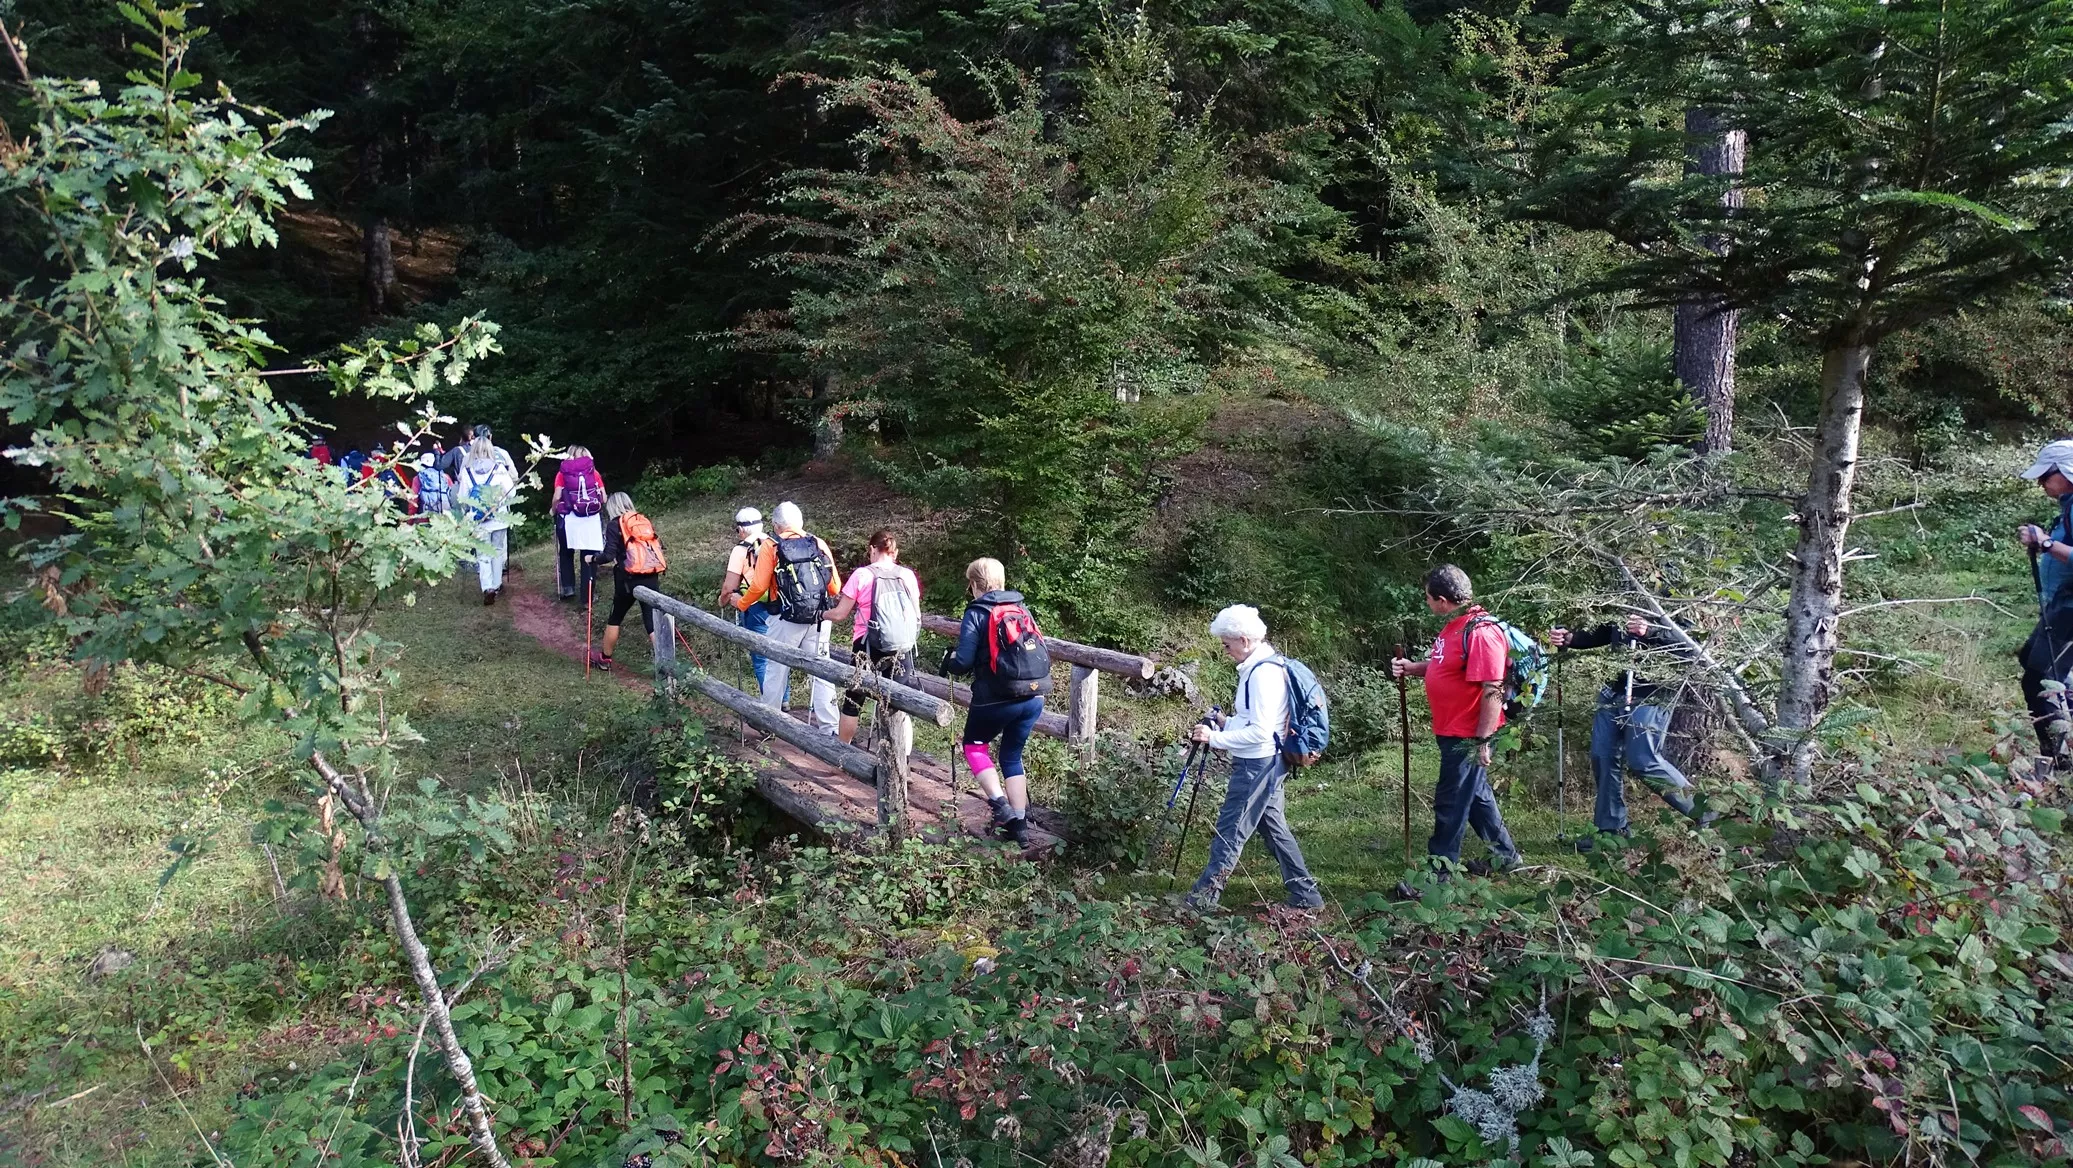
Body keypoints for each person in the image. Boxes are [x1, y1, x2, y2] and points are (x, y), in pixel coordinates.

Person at [1182, 605, 1324, 911]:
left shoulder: (1262, 675)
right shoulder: (1264, 667)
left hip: (1257, 765)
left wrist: (1213, 739)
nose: (1225, 651)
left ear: (1244, 641)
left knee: (1230, 831)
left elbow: (1260, 733)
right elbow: (1256, 723)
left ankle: (1201, 902)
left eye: (1227, 645)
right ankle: (1306, 896)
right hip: (1269, 762)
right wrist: (1225, 723)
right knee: (1274, 830)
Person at [1390, 564, 1521, 877]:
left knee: (1451, 803)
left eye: (1428, 597)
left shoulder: (1481, 633)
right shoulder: (1455, 626)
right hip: (1453, 730)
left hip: (1468, 735)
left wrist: (1482, 740)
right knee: (1475, 796)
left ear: (1442, 600)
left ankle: (1439, 875)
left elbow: (1492, 688)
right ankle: (1506, 857)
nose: (1426, 602)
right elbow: (1446, 668)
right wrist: (1413, 667)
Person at [1548, 613, 1713, 851]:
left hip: (1651, 692)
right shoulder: (1623, 592)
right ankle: (1611, 831)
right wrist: (1572, 639)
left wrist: (1651, 630)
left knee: (1644, 761)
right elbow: (1607, 630)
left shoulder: (1668, 594)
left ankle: (1707, 813)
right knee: (1603, 756)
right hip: (1614, 689)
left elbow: (1690, 643)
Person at [942, 557, 1048, 844]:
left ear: (975, 585)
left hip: (996, 697)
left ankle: (1002, 807)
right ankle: (1020, 827)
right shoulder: (1021, 608)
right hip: (1034, 695)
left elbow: (963, 661)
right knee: (1012, 756)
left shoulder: (977, 612)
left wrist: (949, 661)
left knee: (974, 746)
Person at [740, 501, 840, 729]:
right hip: (819, 619)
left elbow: (758, 586)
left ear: (776, 525)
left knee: (776, 669)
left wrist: (743, 604)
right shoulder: (817, 543)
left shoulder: (771, 546)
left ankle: (769, 722)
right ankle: (830, 728)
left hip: (785, 619)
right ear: (801, 522)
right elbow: (835, 587)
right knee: (822, 672)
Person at [824, 529, 922, 744]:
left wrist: (822, 614)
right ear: (895, 552)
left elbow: (840, 614)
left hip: (866, 645)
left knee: (853, 701)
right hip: (901, 646)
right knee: (898, 703)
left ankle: (843, 751)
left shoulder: (862, 575)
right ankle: (901, 758)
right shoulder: (907, 575)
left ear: (872, 549)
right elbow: (917, 615)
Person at [2017, 438, 2073, 762]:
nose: (2040, 482)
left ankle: (2061, 760)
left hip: (2070, 609)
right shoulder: (2069, 506)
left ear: (2066, 472)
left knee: (2040, 680)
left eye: (2045, 475)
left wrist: (2046, 543)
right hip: (2062, 605)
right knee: (2033, 661)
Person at [593, 492, 666, 671]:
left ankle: (604, 660)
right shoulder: (642, 521)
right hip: (650, 575)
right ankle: (667, 665)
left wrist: (593, 559)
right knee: (651, 622)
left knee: (615, 617)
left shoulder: (614, 525)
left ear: (612, 507)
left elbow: (608, 555)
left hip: (627, 580)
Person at [717, 507, 780, 692]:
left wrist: (722, 601)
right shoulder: (775, 543)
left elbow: (729, 586)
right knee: (779, 657)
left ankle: (769, 702)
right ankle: (783, 701)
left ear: (741, 529)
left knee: (761, 658)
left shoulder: (740, 550)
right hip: (779, 603)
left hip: (754, 606)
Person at [459, 437, 517, 605]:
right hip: (499, 518)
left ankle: (487, 587)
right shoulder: (499, 469)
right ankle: (497, 585)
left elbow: (462, 498)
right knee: (497, 550)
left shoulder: (467, 471)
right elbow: (511, 493)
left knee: (483, 554)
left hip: (478, 521)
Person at [550, 445, 607, 602]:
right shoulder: (593, 473)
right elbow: (603, 497)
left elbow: (557, 496)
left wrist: (553, 509)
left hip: (568, 519)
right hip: (590, 519)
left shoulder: (562, 473)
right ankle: (587, 598)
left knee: (566, 552)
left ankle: (568, 588)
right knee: (588, 556)